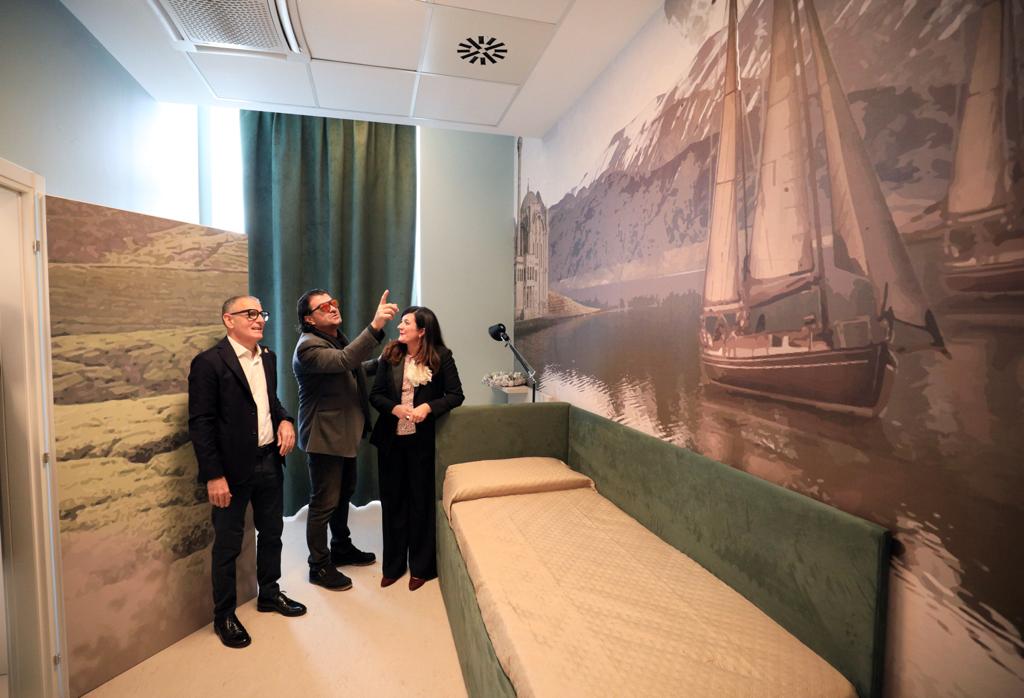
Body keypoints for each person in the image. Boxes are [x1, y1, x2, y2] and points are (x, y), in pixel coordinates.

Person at [188, 296, 305, 650]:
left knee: (272, 533)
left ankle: (269, 592)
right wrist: (214, 475)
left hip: (269, 461)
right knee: (228, 544)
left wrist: (286, 420)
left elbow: (270, 403)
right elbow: (201, 423)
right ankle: (223, 615)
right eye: (250, 313)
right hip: (230, 470)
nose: (260, 319)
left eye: (261, 313)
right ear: (229, 319)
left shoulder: (267, 357)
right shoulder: (209, 362)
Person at [293, 288, 399, 590]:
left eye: (333, 303)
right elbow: (343, 361)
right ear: (309, 319)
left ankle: (341, 547)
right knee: (323, 503)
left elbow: (351, 368)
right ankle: (318, 566)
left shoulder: (333, 339)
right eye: (323, 307)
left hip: (343, 433)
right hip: (324, 436)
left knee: (342, 496)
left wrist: (383, 361)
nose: (332, 308)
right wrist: (375, 326)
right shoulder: (308, 346)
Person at [369, 306, 464, 591]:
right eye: (401, 322)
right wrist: (395, 408)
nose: (400, 327)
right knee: (393, 502)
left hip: (422, 441)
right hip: (391, 440)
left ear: (422, 331)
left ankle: (422, 567)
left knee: (420, 502)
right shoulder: (391, 354)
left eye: (406, 323)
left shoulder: (441, 357)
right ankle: (393, 565)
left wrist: (428, 407)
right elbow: (376, 395)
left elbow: (455, 395)